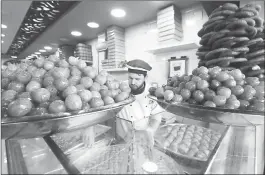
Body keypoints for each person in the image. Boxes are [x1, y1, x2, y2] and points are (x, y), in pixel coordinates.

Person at [116, 59, 164, 144]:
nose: (133, 82)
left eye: (137, 79)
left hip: (142, 139)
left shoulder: (152, 92)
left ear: (145, 77)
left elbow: (156, 118)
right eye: (130, 78)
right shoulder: (118, 88)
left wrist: (148, 132)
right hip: (121, 138)